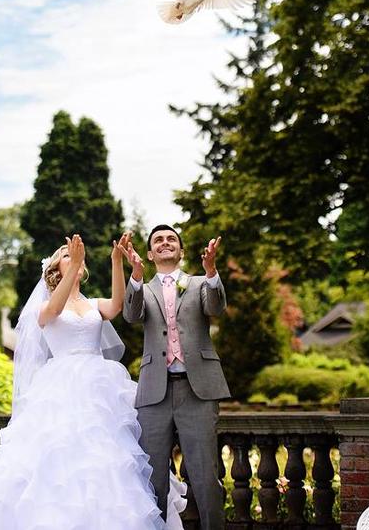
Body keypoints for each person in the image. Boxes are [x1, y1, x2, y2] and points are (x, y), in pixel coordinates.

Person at [0, 233, 186, 530]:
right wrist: (74, 264)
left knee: (108, 461)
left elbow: (117, 305)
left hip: (101, 386)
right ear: (55, 272)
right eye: (65, 256)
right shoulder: (46, 307)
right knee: (63, 459)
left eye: (75, 256)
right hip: (62, 388)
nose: (73, 257)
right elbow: (54, 312)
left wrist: (117, 262)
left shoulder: (92, 303)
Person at [122, 225, 230, 530]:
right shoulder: (142, 286)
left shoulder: (199, 283)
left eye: (172, 239)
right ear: (150, 253)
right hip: (154, 393)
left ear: (181, 251)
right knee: (153, 478)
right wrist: (136, 276)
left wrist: (211, 271)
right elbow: (131, 315)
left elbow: (216, 307)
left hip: (198, 391)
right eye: (158, 240)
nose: (165, 242)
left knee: (206, 477)